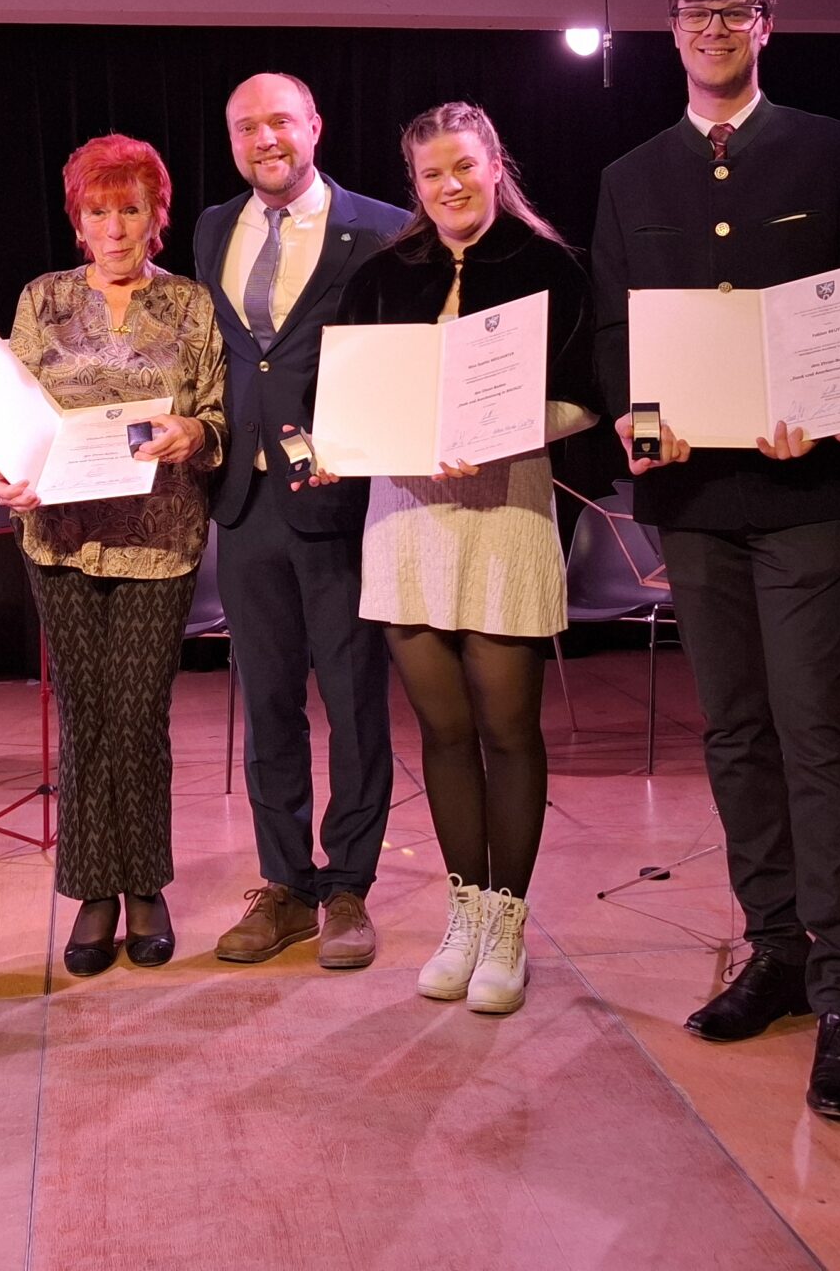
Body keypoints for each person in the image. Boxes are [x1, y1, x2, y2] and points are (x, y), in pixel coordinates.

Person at [589, 0, 840, 1120]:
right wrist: (636, 424)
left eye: (737, 10)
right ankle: (774, 946)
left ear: (767, 25)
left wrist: (837, 419)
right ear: (669, 30)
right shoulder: (629, 175)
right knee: (733, 733)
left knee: (814, 731)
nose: (714, 27)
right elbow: (615, 331)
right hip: (694, 500)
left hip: (808, 492)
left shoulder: (832, 151)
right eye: (695, 11)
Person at [312, 101, 595, 1017]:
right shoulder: (383, 273)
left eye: (465, 167)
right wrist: (341, 442)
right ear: (415, 183)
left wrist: (503, 430)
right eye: (432, 174)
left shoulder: (551, 267)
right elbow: (348, 395)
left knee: (507, 729)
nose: (450, 186)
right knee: (440, 734)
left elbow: (588, 394)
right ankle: (464, 916)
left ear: (494, 164)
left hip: (506, 510)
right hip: (406, 517)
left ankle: (508, 925)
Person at [0, 133, 228, 977]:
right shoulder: (43, 298)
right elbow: (13, 413)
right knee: (86, 717)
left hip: (158, 540)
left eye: (131, 209)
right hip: (59, 539)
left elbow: (217, 418)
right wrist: (10, 475)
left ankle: (146, 886)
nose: (116, 228)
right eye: (99, 211)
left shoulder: (191, 305)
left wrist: (192, 432)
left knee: (136, 716)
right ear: (78, 220)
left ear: (157, 215)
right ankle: (95, 889)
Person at [193, 73, 412, 969]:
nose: (265, 139)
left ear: (314, 126)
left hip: (342, 505)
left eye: (280, 121)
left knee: (355, 704)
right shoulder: (214, 227)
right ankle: (284, 885)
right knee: (269, 706)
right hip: (245, 506)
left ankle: (349, 887)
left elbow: (401, 360)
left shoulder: (385, 229)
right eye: (245, 126)